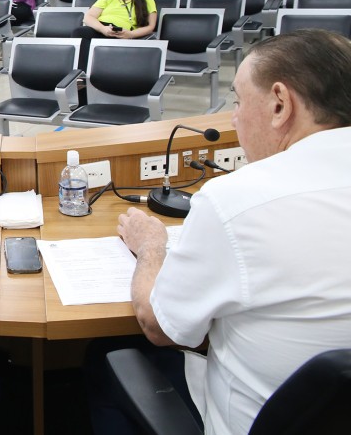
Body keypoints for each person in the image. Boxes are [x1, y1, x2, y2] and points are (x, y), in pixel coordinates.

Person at [91, 30, 351, 435]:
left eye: (239, 101)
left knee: (105, 353)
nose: (233, 118)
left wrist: (150, 247)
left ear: (280, 104)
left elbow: (159, 326)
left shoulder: (235, 200)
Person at [73, 0, 158, 72]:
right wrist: (103, 29)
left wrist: (131, 34)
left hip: (123, 33)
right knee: (78, 32)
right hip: (102, 29)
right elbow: (88, 17)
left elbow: (151, 26)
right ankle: (82, 75)